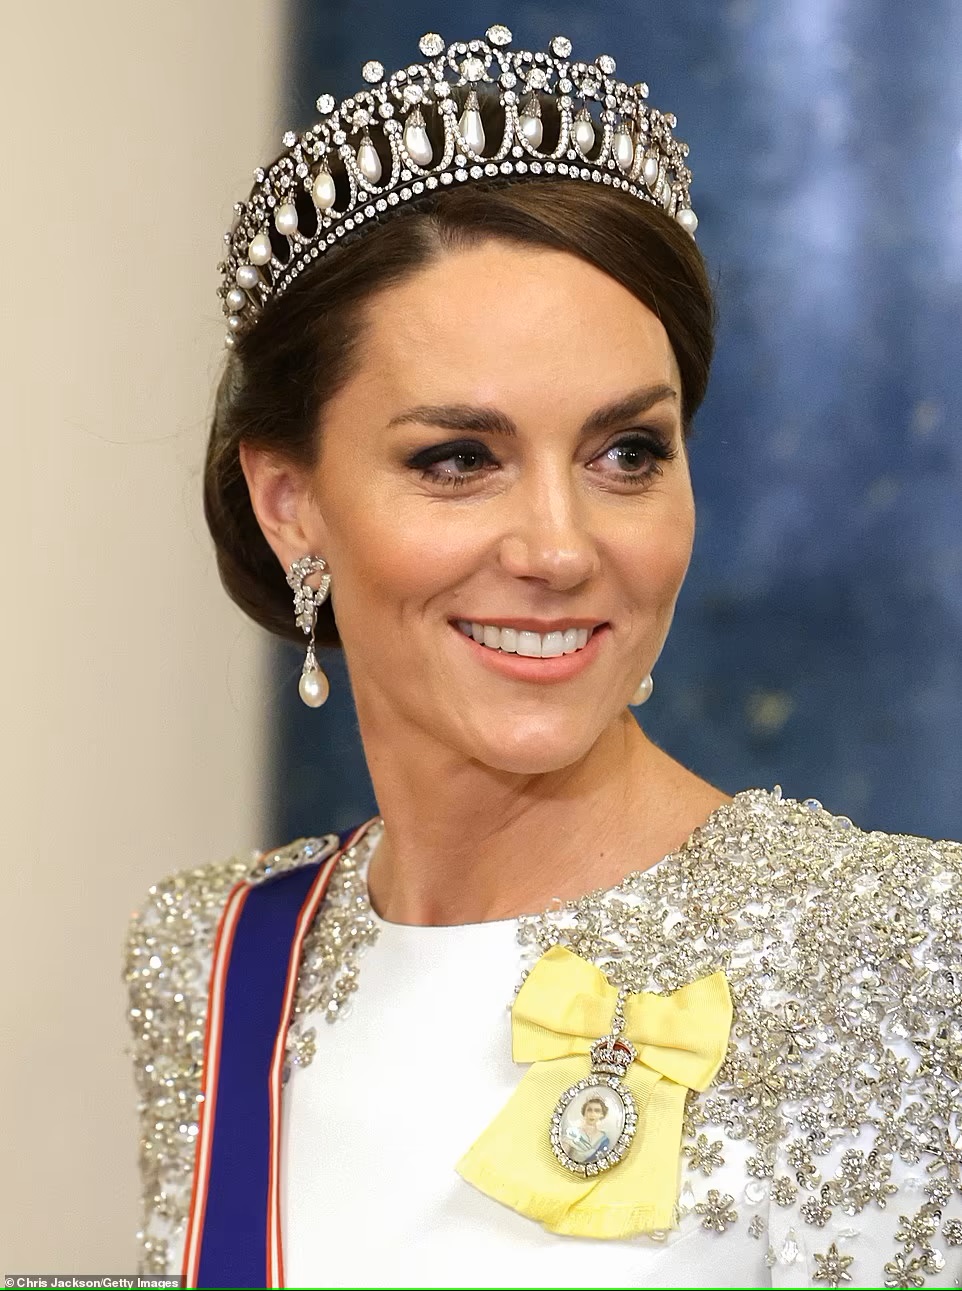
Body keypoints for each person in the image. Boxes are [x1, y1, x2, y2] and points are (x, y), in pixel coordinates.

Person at [124, 23, 962, 1290]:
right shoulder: (214, 958)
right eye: (456, 459)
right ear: (289, 501)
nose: (560, 550)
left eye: (626, 453)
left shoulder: (898, 958)